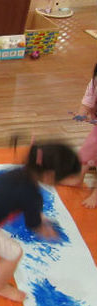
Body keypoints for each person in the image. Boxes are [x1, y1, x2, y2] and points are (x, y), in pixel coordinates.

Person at [0, 141, 81, 302]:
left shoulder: (17, 172)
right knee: (14, 253)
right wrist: (46, 230)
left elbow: (8, 197)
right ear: (49, 176)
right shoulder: (33, 197)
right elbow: (33, 225)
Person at [73, 63, 97, 208]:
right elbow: (89, 97)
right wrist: (82, 112)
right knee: (87, 151)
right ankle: (78, 177)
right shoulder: (95, 81)